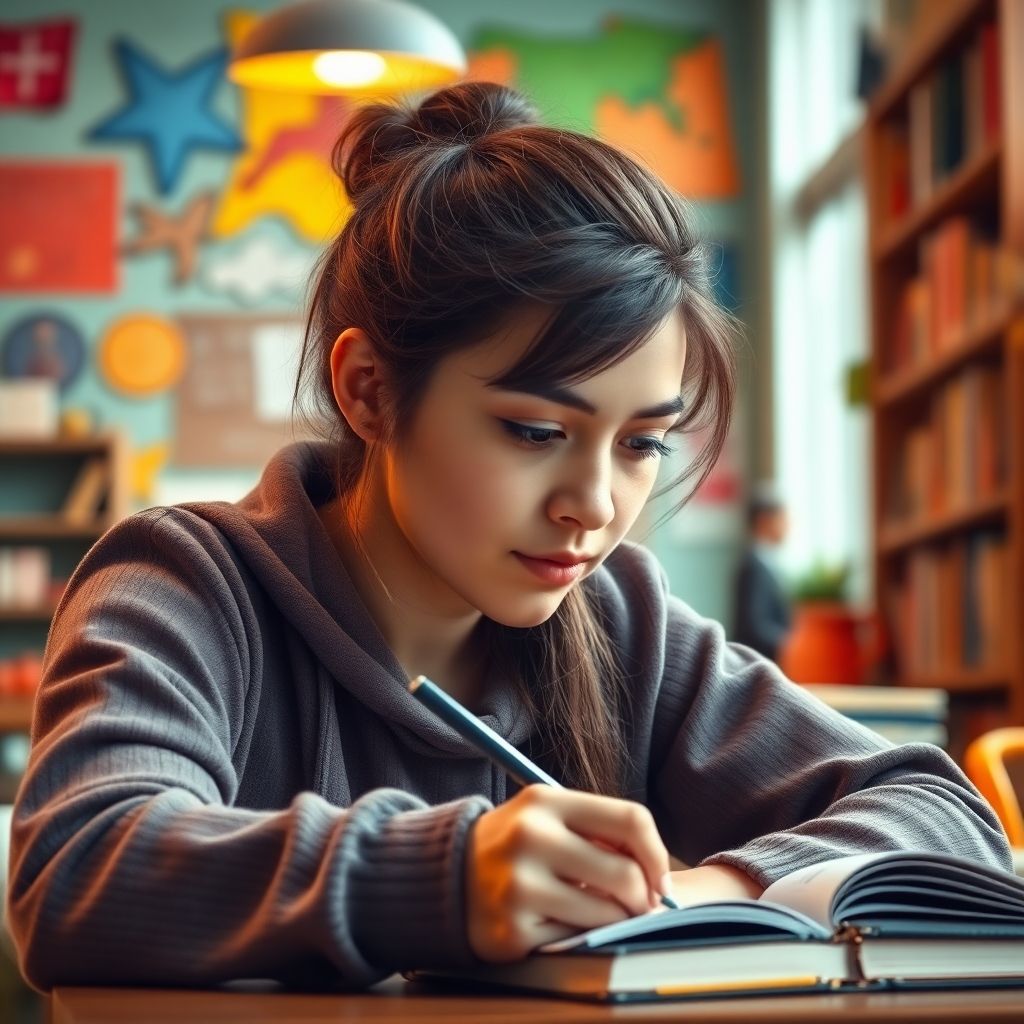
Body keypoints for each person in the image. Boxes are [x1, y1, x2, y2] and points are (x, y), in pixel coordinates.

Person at [6, 82, 1010, 993]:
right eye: (537, 431)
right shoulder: (185, 581)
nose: (594, 504)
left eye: (643, 444)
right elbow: (76, 866)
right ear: (367, 389)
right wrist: (445, 878)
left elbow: (942, 811)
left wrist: (722, 886)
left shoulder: (621, 621)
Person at [732, 484, 793, 661]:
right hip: (756, 661)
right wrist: (791, 644)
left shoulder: (766, 562)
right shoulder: (753, 567)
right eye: (783, 519)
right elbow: (754, 625)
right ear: (764, 520)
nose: (788, 526)